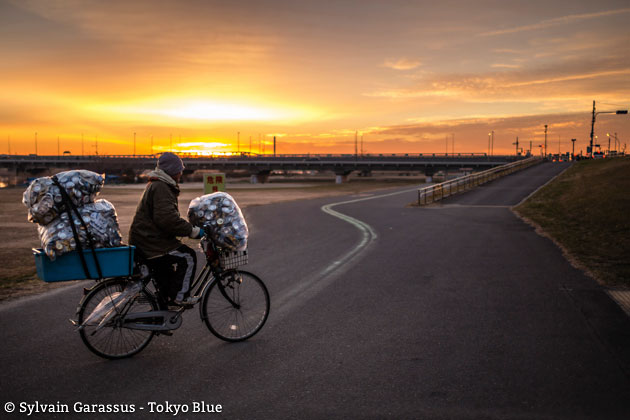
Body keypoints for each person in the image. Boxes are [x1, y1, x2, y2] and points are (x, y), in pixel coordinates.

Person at [129, 152, 203, 306]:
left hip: (146, 239)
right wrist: (193, 231)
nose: (181, 173)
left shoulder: (158, 184)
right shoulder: (161, 187)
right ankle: (180, 298)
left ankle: (161, 315)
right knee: (188, 257)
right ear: (171, 171)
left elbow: (165, 217)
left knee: (167, 277)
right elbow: (167, 220)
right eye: (179, 170)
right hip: (151, 242)